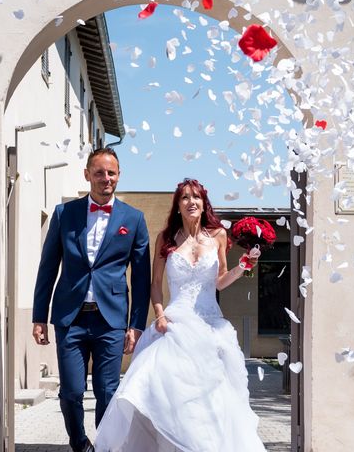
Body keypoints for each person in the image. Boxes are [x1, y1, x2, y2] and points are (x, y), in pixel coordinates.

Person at [95, 178, 266, 452]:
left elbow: (219, 281)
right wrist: (159, 315)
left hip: (211, 325)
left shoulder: (219, 235)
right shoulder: (166, 238)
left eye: (196, 197)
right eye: (185, 197)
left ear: (204, 203)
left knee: (212, 400)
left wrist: (243, 267)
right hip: (174, 324)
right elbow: (155, 283)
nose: (191, 202)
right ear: (177, 205)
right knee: (169, 395)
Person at [32, 147, 151, 452]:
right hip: (70, 317)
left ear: (119, 175)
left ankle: (107, 444)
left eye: (111, 173)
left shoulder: (134, 219)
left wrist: (136, 326)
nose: (105, 178)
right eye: (99, 172)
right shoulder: (64, 214)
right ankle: (79, 444)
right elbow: (47, 267)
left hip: (110, 320)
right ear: (87, 175)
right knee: (71, 391)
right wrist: (38, 317)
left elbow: (140, 278)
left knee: (108, 391)